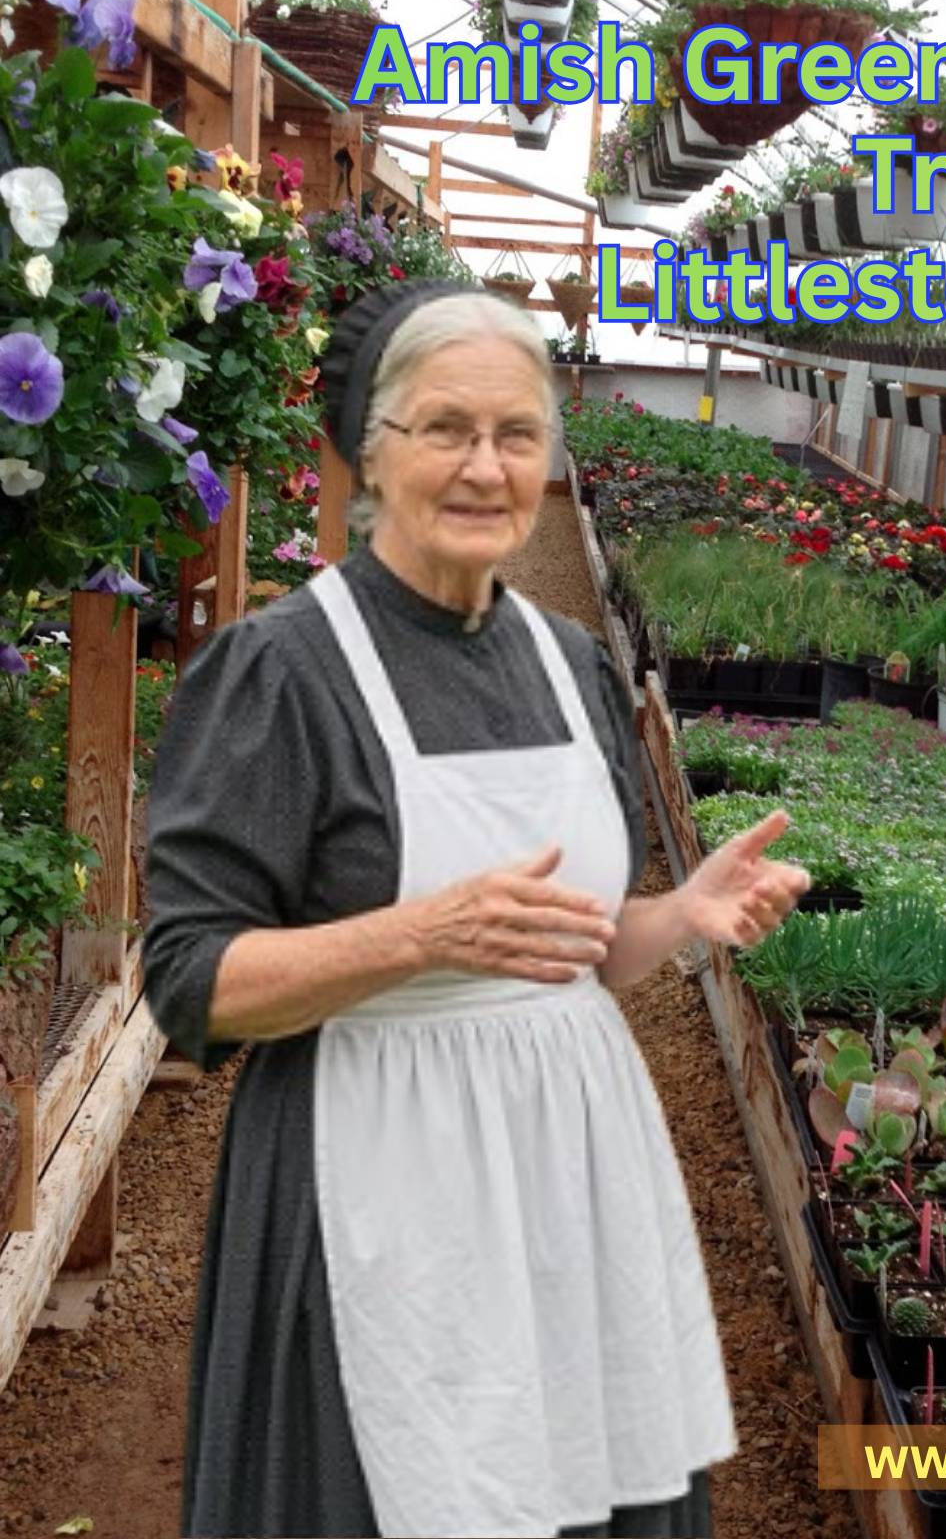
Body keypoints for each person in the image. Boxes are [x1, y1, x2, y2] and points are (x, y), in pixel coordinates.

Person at [143, 278, 811, 1539]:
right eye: (445, 429)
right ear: (369, 451)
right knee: (388, 1487)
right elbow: (191, 982)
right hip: (369, 1174)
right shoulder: (284, 670)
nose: (484, 467)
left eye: (517, 435)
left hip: (570, 1170)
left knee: (576, 1475)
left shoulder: (568, 664)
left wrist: (676, 919)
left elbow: (566, 954)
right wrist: (415, 937)